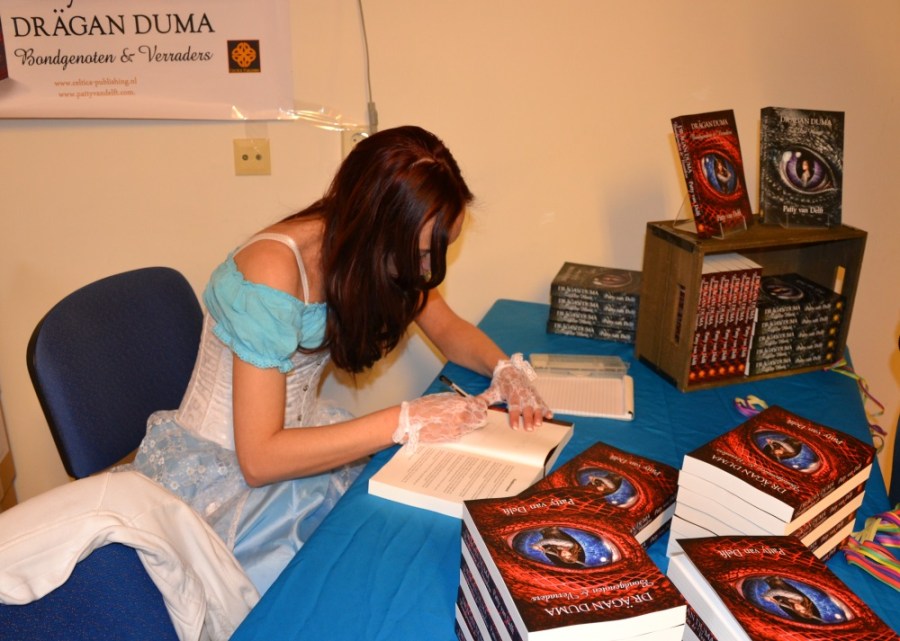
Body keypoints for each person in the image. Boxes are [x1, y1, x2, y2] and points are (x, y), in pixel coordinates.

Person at [128, 125, 551, 594]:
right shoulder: (271, 271)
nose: (428, 271)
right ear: (377, 227)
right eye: (421, 253)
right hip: (231, 479)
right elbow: (259, 460)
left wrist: (504, 369)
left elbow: (448, 329)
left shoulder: (360, 245)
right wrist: (405, 419)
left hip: (296, 449)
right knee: (347, 579)